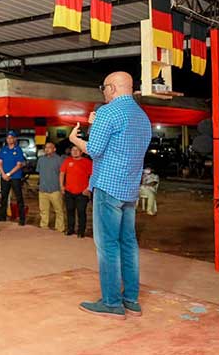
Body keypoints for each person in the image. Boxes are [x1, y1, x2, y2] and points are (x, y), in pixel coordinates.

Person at [69, 71, 152, 319]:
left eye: (103, 88)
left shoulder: (108, 112)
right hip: (129, 189)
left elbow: (94, 150)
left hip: (108, 186)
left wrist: (76, 138)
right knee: (129, 244)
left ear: (113, 88)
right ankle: (131, 300)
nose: (103, 92)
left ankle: (112, 302)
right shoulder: (142, 116)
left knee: (108, 247)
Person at [60, 146, 93, 237]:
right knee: (70, 210)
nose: (74, 152)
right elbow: (62, 173)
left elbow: (92, 176)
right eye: (72, 150)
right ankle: (70, 229)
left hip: (82, 192)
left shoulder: (87, 162)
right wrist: (62, 186)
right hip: (69, 191)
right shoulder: (67, 161)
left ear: (81, 152)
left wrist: (89, 188)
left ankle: (81, 231)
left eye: (76, 150)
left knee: (81, 212)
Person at [36, 142, 65, 233]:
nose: (47, 149)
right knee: (43, 210)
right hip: (43, 189)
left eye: (49, 147)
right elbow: (39, 173)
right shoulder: (41, 160)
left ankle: (60, 228)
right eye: (46, 147)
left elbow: (62, 174)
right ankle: (44, 226)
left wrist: (61, 186)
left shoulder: (59, 160)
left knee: (59, 210)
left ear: (54, 149)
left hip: (55, 189)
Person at [0, 131, 26, 225]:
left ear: (15, 139)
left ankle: (22, 219)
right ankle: (2, 216)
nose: (9, 139)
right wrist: (3, 174)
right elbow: (0, 163)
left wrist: (8, 174)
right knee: (4, 197)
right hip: (4, 176)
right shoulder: (4, 149)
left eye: (11, 138)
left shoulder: (18, 150)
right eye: (8, 138)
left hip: (15, 177)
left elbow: (19, 165)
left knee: (19, 198)